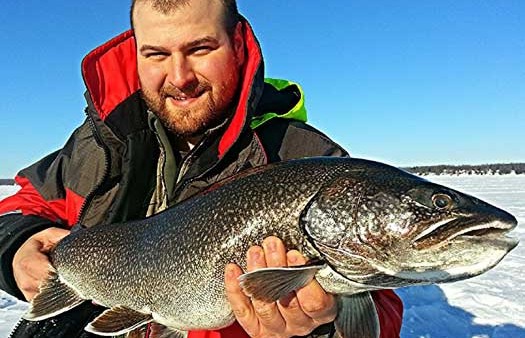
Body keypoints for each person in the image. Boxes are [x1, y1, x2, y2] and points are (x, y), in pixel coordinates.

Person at [0, 0, 403, 337]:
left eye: (201, 49)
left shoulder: (304, 159)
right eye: (156, 54)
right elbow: (22, 206)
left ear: (238, 45)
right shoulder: (100, 141)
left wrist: (320, 327)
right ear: (136, 55)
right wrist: (17, 246)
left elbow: (381, 310)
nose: (179, 77)